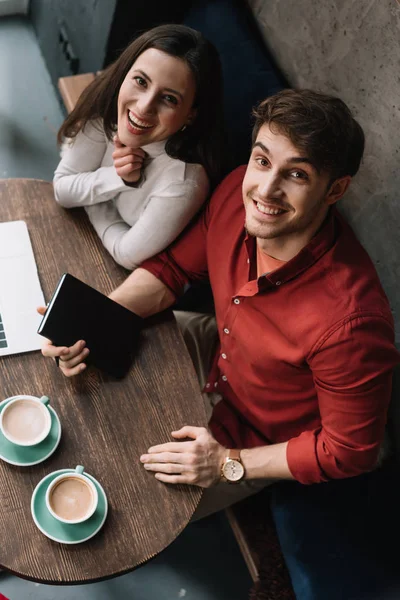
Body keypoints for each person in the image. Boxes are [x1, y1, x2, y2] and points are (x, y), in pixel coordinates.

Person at [40, 89, 400, 599]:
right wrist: (95, 318)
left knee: (115, 509)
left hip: (264, 428)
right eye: (262, 160)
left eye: (296, 175)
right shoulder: (236, 192)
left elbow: (348, 452)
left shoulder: (352, 324)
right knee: (64, 390)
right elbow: (171, 271)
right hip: (217, 343)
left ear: (335, 189)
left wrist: (227, 463)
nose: (266, 189)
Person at [53, 24, 224, 270]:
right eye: (141, 81)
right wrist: (118, 178)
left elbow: (126, 255)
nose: (144, 107)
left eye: (169, 99)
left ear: (190, 115)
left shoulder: (183, 183)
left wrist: (91, 196)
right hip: (85, 239)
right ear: (125, 74)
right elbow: (61, 189)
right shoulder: (107, 111)